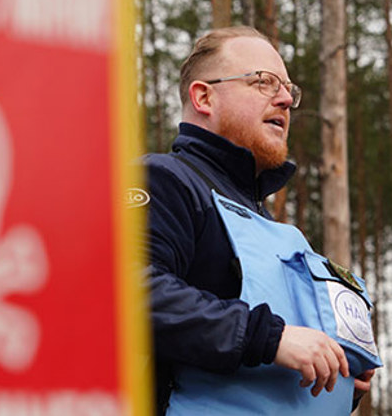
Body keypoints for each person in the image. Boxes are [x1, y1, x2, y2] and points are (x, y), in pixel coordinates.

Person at [143, 26, 379, 415]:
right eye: (264, 82)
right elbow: (127, 291)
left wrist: (338, 377)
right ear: (204, 96)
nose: (286, 99)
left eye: (288, 88)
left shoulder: (281, 230)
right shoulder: (165, 180)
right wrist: (269, 337)